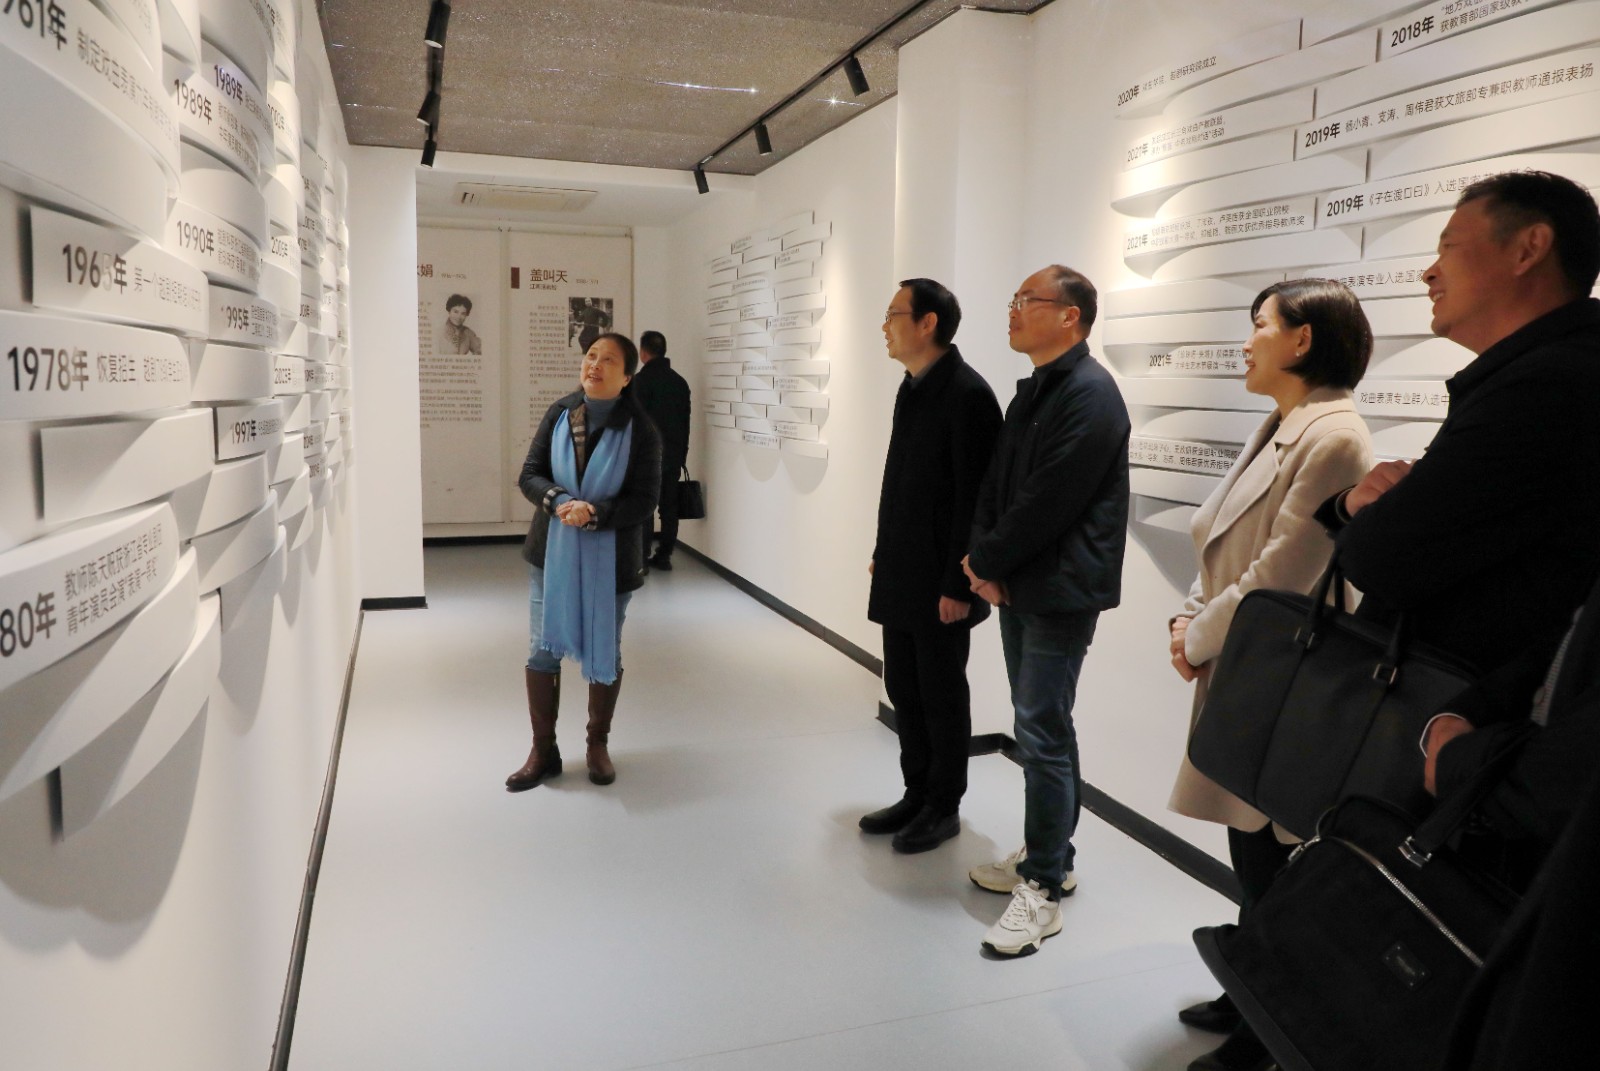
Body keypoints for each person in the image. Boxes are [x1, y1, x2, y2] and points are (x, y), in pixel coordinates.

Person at [1167, 279, 1374, 1071]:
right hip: (1246, 662)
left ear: (1302, 339)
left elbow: (1283, 572)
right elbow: (1218, 546)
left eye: (1260, 324)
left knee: (1271, 853)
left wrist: (1197, 638)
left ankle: (1267, 1026)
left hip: (1282, 673)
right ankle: (1248, 980)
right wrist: (1191, 621)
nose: (1248, 340)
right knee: (1249, 845)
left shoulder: (1336, 437)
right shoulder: (1283, 424)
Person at [1317, 170, 1600, 689]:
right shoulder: (1548, 373)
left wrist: (1362, 516)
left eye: (1449, 247)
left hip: (1452, 710)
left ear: (1528, 249)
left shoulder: (1545, 388)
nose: (1430, 273)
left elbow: (1384, 558)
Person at [960, 265, 1130, 957]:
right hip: (1021, 583)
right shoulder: (1035, 389)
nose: (1013, 310)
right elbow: (998, 486)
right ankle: (1050, 853)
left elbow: (1051, 500)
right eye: (1014, 300)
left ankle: (1043, 888)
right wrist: (985, 561)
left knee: (1041, 729)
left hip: (1060, 590)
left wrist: (988, 562)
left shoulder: (1092, 394)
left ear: (1070, 316)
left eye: (1025, 300)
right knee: (1042, 725)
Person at [860, 278, 1002, 854]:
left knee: (941, 694)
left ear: (928, 323)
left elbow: (975, 501)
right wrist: (883, 549)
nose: (885, 325)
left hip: (942, 581)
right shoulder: (913, 387)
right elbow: (899, 482)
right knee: (904, 686)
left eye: (894, 314)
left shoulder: (968, 395)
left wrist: (958, 585)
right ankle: (916, 792)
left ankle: (943, 806)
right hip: (904, 568)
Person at [507, 332, 661, 791]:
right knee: (541, 649)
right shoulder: (560, 413)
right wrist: (560, 502)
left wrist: (594, 512)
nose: (595, 365)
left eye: (608, 360)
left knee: (605, 649)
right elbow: (530, 474)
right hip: (551, 553)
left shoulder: (641, 430)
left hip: (612, 560)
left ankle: (597, 744)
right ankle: (543, 750)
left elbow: (645, 499)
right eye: (591, 356)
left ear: (627, 376)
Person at [631, 330, 692, 570]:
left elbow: (635, 423)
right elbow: (685, 423)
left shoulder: (639, 382)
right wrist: (682, 454)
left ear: (643, 352)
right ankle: (664, 556)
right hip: (673, 454)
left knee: (644, 507)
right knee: (669, 508)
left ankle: (642, 559)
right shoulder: (679, 382)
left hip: (646, 457)